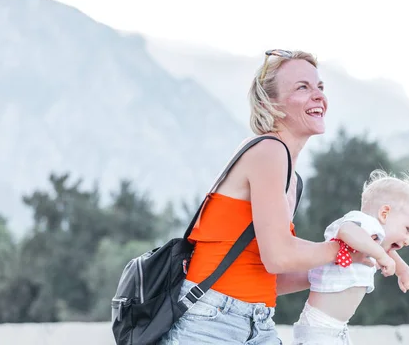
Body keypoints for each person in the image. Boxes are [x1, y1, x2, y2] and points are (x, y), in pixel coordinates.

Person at [159, 49, 371, 344]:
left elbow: (270, 275)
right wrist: (343, 250)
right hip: (209, 323)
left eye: (320, 87)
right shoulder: (269, 151)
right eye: (303, 87)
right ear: (269, 103)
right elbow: (279, 256)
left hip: (256, 322)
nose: (318, 95)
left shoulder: (292, 180)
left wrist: (350, 263)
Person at [291, 169, 409, 345]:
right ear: (384, 213)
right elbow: (346, 231)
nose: (408, 240)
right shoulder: (364, 223)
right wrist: (381, 257)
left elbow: (391, 256)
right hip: (319, 328)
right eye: (408, 230)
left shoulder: (376, 243)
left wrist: (404, 272)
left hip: (336, 330)